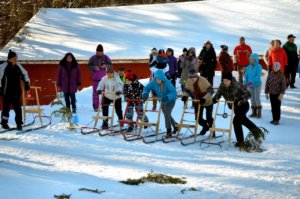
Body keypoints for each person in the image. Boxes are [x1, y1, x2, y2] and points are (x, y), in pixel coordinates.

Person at [212, 72, 263, 146]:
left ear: (230, 80)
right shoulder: (222, 85)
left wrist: (241, 99)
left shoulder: (237, 85)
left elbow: (248, 94)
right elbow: (218, 94)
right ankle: (257, 132)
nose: (225, 82)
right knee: (243, 120)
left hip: (243, 105)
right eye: (224, 80)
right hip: (235, 107)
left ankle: (240, 142)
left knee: (236, 121)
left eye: (227, 81)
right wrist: (214, 99)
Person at [0, 50, 30, 130]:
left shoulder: (18, 66)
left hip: (16, 91)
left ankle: (19, 124)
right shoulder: (3, 66)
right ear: (9, 58)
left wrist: (27, 84)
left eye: (16, 58)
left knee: (18, 109)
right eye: (14, 58)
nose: (16, 59)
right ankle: (4, 123)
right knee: (6, 109)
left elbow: (25, 74)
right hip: (6, 91)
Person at [142, 70, 177, 137]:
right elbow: (146, 88)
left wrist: (167, 97)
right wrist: (145, 94)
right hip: (162, 100)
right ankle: (176, 126)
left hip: (170, 100)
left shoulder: (167, 83)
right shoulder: (154, 82)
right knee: (167, 114)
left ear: (162, 78)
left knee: (167, 114)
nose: (158, 80)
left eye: (159, 79)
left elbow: (174, 92)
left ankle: (169, 131)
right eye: (156, 79)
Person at [181, 69, 214, 135]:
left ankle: (212, 131)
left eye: (194, 78)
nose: (192, 79)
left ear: (197, 76)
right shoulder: (189, 81)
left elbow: (211, 91)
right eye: (190, 78)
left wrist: (205, 98)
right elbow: (186, 90)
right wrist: (184, 96)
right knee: (198, 118)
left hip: (207, 100)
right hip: (197, 101)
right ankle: (205, 127)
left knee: (209, 117)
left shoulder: (203, 80)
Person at [97, 65, 123, 129]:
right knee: (104, 108)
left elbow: (121, 85)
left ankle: (121, 121)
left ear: (113, 72)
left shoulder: (116, 78)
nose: (109, 74)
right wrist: (99, 89)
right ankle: (105, 123)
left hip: (116, 96)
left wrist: (119, 91)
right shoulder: (104, 78)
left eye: (110, 73)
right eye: (107, 73)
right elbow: (101, 84)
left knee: (118, 110)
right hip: (108, 96)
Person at [88, 44, 112, 112]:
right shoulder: (92, 58)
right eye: (98, 52)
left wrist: (106, 66)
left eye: (100, 52)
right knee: (96, 93)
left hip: (104, 78)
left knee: (104, 93)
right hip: (95, 79)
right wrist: (94, 67)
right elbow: (89, 65)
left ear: (103, 52)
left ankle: (103, 106)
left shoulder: (106, 57)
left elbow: (110, 65)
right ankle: (96, 106)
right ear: (96, 52)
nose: (99, 53)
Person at [244, 53, 263, 118]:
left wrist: (251, 82)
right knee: (252, 98)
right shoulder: (248, 67)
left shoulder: (258, 66)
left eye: (252, 59)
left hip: (257, 84)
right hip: (250, 85)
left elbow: (258, 75)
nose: (251, 60)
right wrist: (245, 83)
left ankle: (259, 113)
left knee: (257, 98)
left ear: (255, 59)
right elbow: (246, 76)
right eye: (250, 59)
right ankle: (253, 112)